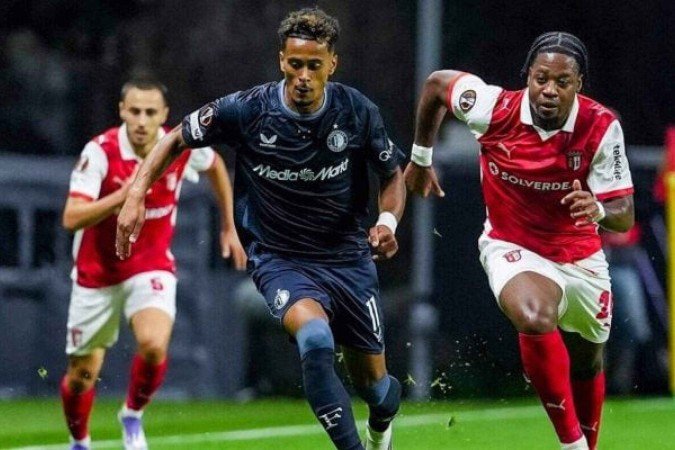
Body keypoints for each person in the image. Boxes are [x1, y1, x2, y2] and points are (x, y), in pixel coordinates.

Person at [116, 8, 405, 450]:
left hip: (348, 259)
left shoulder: (356, 111)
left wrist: (386, 222)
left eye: (314, 65)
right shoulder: (247, 109)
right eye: (295, 64)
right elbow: (175, 138)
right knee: (314, 338)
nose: (303, 76)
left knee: (378, 391)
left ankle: (381, 429)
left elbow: (391, 174)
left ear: (332, 64)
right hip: (280, 259)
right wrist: (136, 194)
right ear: (281, 60)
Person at [405, 32, 634, 450]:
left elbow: (624, 214)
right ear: (527, 75)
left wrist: (599, 209)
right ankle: (572, 445)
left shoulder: (601, 126)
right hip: (512, 245)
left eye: (562, 82)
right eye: (541, 78)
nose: (549, 90)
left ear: (578, 85)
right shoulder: (493, 108)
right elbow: (437, 84)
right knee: (533, 316)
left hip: (580, 255)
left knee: (587, 361)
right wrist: (421, 158)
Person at [60, 78, 247, 450]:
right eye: (135, 111)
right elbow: (71, 217)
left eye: (150, 112)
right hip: (98, 273)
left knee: (153, 345)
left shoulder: (178, 146)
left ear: (164, 115)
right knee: (82, 376)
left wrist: (229, 225)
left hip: (150, 265)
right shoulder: (101, 152)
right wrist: (124, 195)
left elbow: (215, 166)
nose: (142, 121)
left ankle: (132, 415)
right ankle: (79, 442)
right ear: (122, 111)